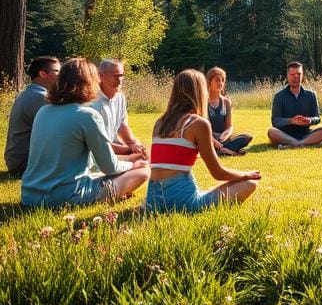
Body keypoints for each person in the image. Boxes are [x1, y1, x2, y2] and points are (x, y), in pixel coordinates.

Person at [21, 58, 149, 207]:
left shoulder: (43, 111)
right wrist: (134, 164)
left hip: (30, 196)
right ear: (89, 83)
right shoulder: (87, 115)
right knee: (143, 172)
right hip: (65, 197)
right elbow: (109, 167)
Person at [146, 69, 261, 213]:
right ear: (199, 92)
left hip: (153, 202)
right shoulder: (198, 123)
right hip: (182, 204)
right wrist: (245, 174)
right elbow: (218, 173)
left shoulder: (160, 122)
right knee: (249, 184)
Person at [4, 56, 61, 176]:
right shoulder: (39, 97)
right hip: (26, 164)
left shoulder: (29, 93)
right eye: (57, 71)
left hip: (18, 161)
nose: (60, 75)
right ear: (42, 73)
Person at [90, 59, 147, 159]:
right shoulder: (92, 101)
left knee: (142, 156)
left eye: (121, 75)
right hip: (96, 154)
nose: (120, 80)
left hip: (111, 148)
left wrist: (134, 144)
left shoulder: (120, 97)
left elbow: (121, 125)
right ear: (101, 76)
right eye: (115, 76)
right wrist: (129, 149)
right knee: (140, 164)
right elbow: (98, 144)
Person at [267, 62, 322, 148]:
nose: (296, 77)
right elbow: (275, 121)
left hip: (306, 133)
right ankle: (305, 143)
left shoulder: (311, 95)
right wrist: (291, 121)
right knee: (271, 131)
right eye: (292, 74)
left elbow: (317, 118)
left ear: (302, 75)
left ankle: (294, 144)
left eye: (298, 74)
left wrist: (309, 120)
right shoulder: (279, 96)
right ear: (287, 75)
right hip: (285, 135)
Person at [206, 66, 253, 156]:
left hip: (223, 139)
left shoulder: (226, 102)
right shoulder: (203, 102)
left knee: (247, 137)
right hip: (209, 138)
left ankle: (222, 149)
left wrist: (225, 135)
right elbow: (204, 129)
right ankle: (228, 151)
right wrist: (214, 141)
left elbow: (229, 126)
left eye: (222, 80)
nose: (220, 83)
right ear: (209, 82)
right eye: (217, 80)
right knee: (203, 140)